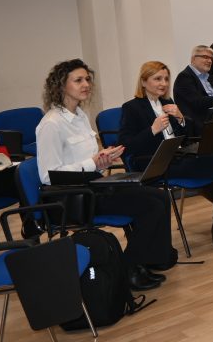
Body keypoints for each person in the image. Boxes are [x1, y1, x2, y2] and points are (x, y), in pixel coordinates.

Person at [35, 59, 175, 291]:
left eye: (87, 79)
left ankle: (148, 260)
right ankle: (128, 268)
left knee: (158, 196)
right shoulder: (51, 124)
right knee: (149, 205)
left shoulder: (80, 116)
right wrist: (91, 163)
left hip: (93, 185)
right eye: (78, 80)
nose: (86, 84)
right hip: (74, 197)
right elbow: (48, 176)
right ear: (61, 85)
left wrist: (104, 160)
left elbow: (88, 162)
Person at [118, 61, 213, 248]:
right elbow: (127, 146)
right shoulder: (132, 108)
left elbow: (189, 133)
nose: (163, 83)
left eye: (166, 79)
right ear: (143, 82)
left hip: (179, 156)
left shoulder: (167, 103)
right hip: (157, 162)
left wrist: (181, 118)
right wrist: (153, 130)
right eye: (157, 79)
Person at [172, 45, 213, 134]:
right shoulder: (184, 77)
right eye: (205, 57)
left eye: (211, 58)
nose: (210, 61)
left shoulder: (209, 77)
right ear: (193, 59)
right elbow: (197, 102)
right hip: (197, 130)